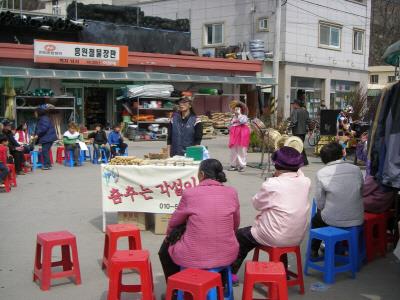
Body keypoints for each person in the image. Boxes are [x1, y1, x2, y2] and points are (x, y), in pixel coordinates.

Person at [231, 147, 311, 279]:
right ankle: (282, 272)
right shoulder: (305, 181)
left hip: (275, 235)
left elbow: (257, 204)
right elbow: (298, 173)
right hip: (296, 236)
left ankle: (231, 274)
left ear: (276, 165)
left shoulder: (273, 184)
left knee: (240, 236)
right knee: (281, 228)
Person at [158, 159, 240, 280]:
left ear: (201, 174)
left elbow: (175, 222)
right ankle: (220, 284)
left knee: (164, 251)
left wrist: (169, 236)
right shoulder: (231, 192)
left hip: (194, 256)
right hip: (228, 254)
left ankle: (175, 290)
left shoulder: (190, 193)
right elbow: (235, 223)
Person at [311, 142, 364, 257]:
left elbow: (320, 202)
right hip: (357, 217)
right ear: (343, 153)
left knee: (316, 219)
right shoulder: (356, 169)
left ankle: (313, 250)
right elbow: (361, 191)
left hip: (333, 219)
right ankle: (336, 247)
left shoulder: (322, 173)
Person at [228, 101, 251, 172]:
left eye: (237, 109)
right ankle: (233, 165)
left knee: (242, 150)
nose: (236, 110)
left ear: (241, 110)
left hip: (242, 134)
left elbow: (243, 121)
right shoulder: (233, 117)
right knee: (233, 150)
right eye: (235, 109)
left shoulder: (244, 116)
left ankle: (242, 165)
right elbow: (229, 126)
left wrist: (239, 115)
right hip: (234, 134)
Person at [289, 89, 310, 165]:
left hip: (297, 131)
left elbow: (294, 122)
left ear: (296, 104)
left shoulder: (295, 111)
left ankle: (303, 161)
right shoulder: (305, 111)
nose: (292, 105)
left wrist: (289, 127)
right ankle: (303, 161)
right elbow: (308, 121)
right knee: (300, 146)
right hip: (303, 132)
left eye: (293, 104)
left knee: (298, 146)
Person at [34, 105, 58, 170]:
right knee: (46, 151)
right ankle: (48, 164)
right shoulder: (43, 118)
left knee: (45, 151)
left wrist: (37, 134)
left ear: (39, 112)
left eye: (35, 112)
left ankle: (47, 165)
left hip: (48, 137)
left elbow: (44, 128)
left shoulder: (44, 118)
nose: (34, 114)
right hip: (48, 137)